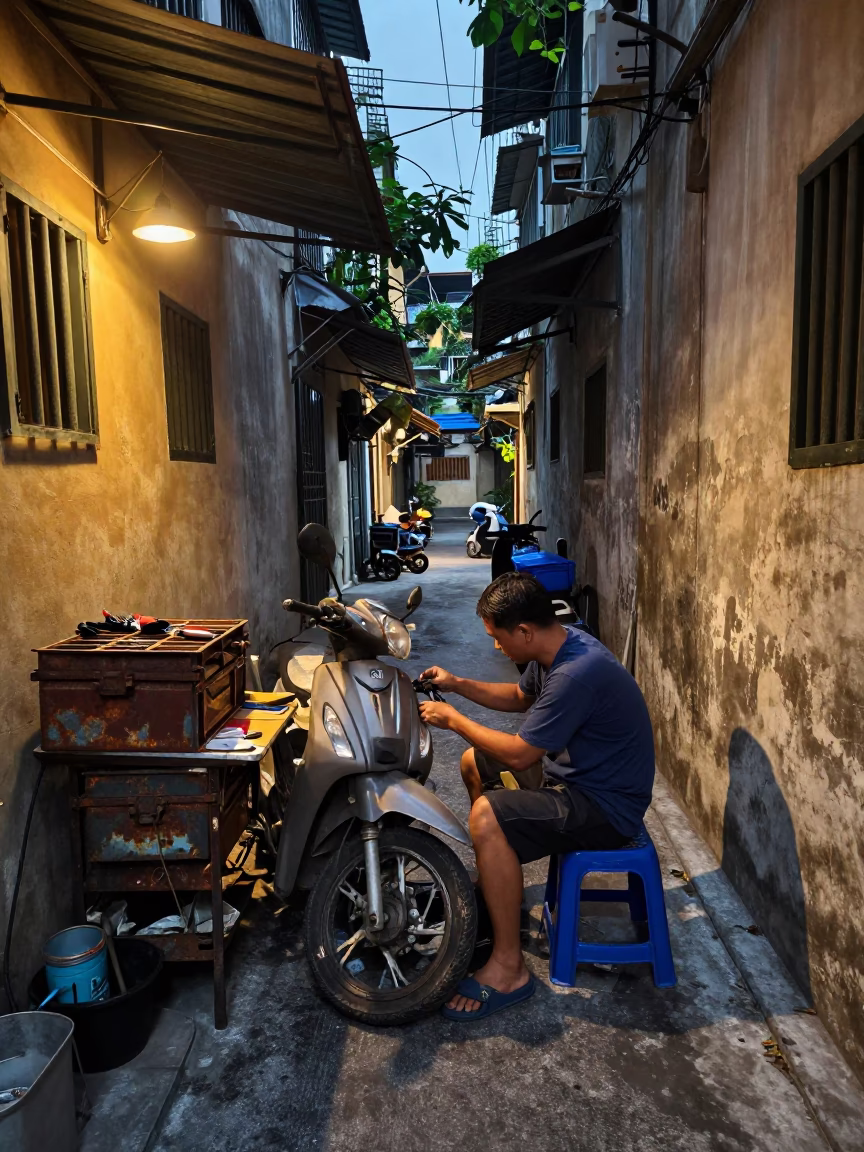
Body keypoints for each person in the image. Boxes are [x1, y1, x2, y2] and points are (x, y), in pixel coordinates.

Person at [417, 572, 655, 1021]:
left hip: (605, 807)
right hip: (576, 780)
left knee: (487, 816)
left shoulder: (576, 673)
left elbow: (521, 753)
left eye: (498, 637)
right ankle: (496, 880)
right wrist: (456, 683)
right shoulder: (556, 647)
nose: (496, 648)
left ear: (524, 631)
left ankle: (510, 969)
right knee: (473, 763)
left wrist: (453, 719)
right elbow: (518, 696)